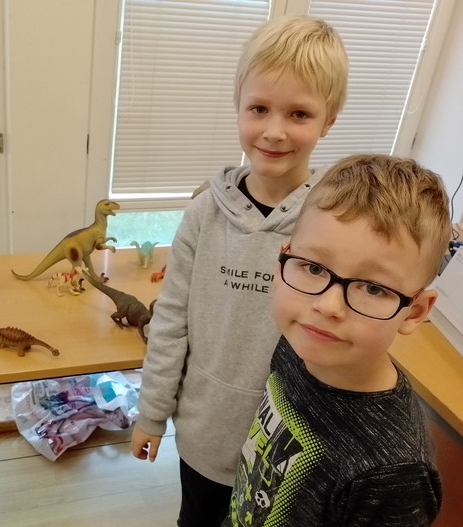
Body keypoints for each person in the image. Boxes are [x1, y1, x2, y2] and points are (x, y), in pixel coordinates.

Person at [130, 15, 349, 527]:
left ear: (328, 121)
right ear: (238, 108)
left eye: (299, 113)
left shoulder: (335, 223)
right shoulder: (203, 214)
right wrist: (151, 414)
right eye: (259, 109)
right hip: (204, 431)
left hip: (291, 443)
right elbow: (171, 322)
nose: (274, 131)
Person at [224, 154, 449, 526]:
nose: (328, 306)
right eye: (314, 268)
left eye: (373, 288)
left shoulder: (396, 474)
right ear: (281, 263)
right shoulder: (298, 343)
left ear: (414, 312)